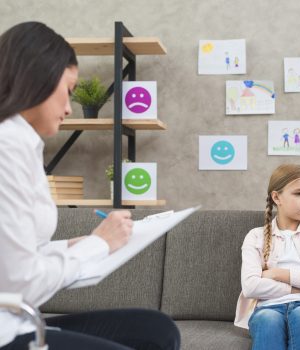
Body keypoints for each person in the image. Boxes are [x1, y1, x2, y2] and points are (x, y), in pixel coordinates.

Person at [0, 22, 180, 350]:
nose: (70, 108)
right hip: (8, 329)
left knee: (156, 329)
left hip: (20, 318)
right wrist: (98, 244)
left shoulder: (23, 144)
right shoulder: (6, 147)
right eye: (68, 91)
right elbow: (21, 285)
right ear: (36, 79)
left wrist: (73, 245)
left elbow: (12, 258)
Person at [234, 164, 300, 350]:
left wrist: (276, 273)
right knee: (269, 319)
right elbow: (251, 286)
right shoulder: (255, 236)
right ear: (276, 197)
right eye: (299, 193)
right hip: (267, 309)